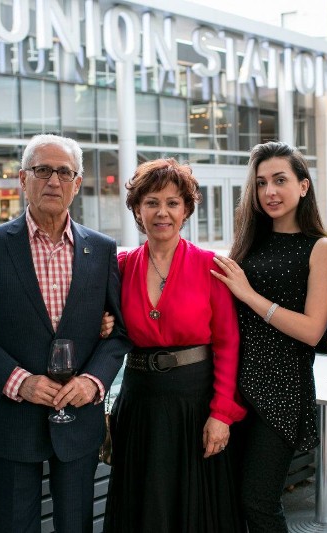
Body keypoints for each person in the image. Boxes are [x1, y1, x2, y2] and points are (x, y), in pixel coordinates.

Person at [0, 134, 131, 533]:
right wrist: (20, 382)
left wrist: (93, 381)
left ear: (77, 183)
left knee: (76, 526)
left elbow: (118, 332)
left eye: (64, 172)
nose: (53, 180)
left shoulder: (102, 249)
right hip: (13, 421)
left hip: (79, 420)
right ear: (22, 178)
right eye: (42, 170)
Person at [102, 158, 246, 532]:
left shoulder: (211, 266)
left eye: (172, 203)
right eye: (151, 202)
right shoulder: (120, 266)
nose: (161, 212)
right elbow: (104, 329)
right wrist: (103, 325)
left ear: (186, 210)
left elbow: (228, 344)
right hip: (139, 404)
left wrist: (221, 414)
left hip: (194, 404)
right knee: (144, 506)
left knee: (195, 509)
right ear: (137, 210)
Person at [211, 141, 327, 532]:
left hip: (282, 390)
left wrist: (249, 294)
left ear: (303, 186)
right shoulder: (248, 242)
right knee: (229, 501)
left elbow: (312, 330)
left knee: (259, 501)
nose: (269, 191)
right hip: (232, 386)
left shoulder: (321, 248)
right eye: (262, 182)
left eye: (280, 180)